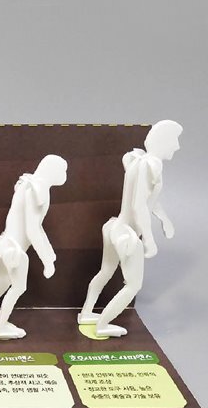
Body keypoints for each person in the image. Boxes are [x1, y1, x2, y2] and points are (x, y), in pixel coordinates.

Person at [78, 120, 182, 337]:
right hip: (127, 235)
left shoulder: (139, 161)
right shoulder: (152, 164)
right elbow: (139, 205)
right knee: (133, 285)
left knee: (106, 271)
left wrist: (165, 220)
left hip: (115, 227)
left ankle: (86, 312)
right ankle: (102, 324)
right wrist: (149, 239)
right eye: (175, 140)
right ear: (163, 141)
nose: (177, 146)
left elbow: (150, 200)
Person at [0, 155, 67, 339]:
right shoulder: (37, 189)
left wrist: (49, 252)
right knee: (18, 287)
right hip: (14, 250)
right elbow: (32, 229)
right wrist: (47, 260)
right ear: (52, 171)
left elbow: (36, 226)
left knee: (3, 282)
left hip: (5, 243)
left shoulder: (29, 184)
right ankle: (2, 327)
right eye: (62, 170)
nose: (65, 175)